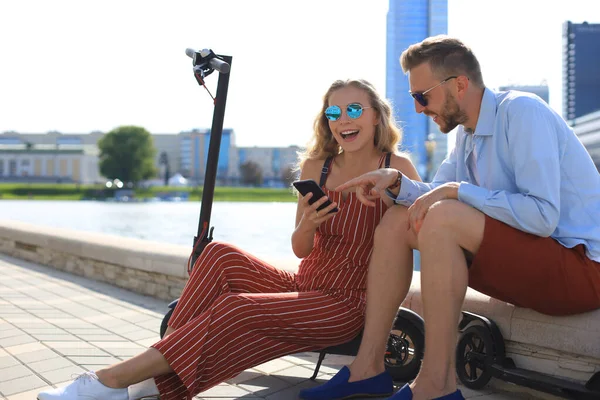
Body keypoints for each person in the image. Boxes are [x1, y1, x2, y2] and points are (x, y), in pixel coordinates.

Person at [37, 78, 420, 400]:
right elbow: (301, 249)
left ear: (375, 116)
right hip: (305, 284)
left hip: (345, 303)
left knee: (236, 307)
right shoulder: (316, 168)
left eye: (354, 110)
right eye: (334, 113)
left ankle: (112, 380)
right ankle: (153, 375)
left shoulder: (395, 169)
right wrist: (306, 226)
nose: (343, 121)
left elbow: (407, 240)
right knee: (219, 253)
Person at [299, 35, 600, 400]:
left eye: (422, 96)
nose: (418, 108)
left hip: (582, 270)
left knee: (441, 217)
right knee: (397, 220)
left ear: (459, 84)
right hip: (535, 265)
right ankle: (368, 368)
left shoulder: (523, 112)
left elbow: (542, 217)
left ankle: (436, 385)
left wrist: (458, 191)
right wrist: (396, 183)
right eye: (413, 98)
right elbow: (432, 193)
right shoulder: (467, 137)